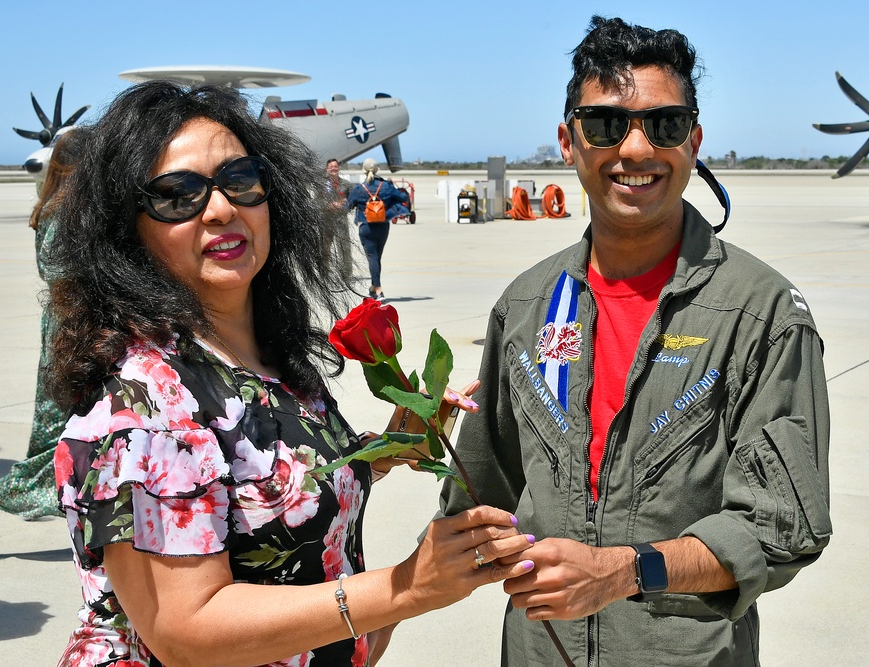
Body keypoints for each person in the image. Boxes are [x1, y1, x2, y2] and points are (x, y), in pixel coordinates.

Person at [47, 81, 534, 667]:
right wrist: (408, 586)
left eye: (240, 181)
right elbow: (185, 630)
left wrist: (390, 446)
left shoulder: (267, 363)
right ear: (127, 230)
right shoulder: (145, 405)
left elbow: (269, 484)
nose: (222, 209)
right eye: (178, 196)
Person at [438, 16, 831, 666]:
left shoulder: (763, 313)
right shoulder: (528, 306)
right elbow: (475, 506)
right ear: (569, 141)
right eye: (606, 125)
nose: (638, 149)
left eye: (666, 125)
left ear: (695, 140)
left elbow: (782, 524)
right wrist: (416, 441)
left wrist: (626, 570)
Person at [0, 126, 88, 521]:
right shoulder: (62, 212)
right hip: (71, 323)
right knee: (64, 414)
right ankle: (12, 491)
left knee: (66, 411)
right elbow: (55, 267)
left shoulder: (56, 205)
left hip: (66, 320)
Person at [346, 158, 409, 302]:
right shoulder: (386, 186)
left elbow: (347, 207)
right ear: (376, 170)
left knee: (372, 258)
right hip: (383, 226)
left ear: (363, 170)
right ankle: (374, 289)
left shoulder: (359, 188)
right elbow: (402, 197)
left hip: (366, 227)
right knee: (377, 257)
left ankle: (378, 289)